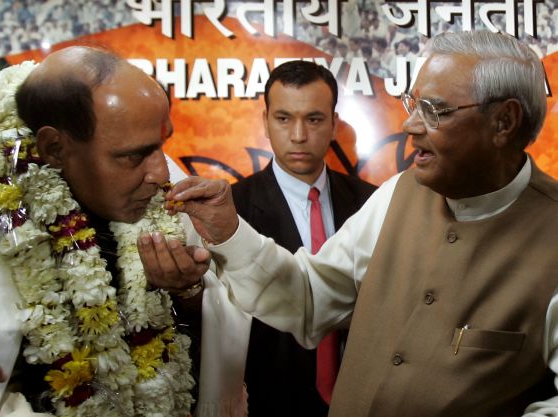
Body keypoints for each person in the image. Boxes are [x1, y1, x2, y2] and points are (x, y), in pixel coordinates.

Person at [160, 30, 558, 416]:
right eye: (412, 104)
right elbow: (308, 299)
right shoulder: (396, 193)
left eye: (435, 110)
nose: (411, 125)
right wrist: (229, 231)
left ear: (504, 122)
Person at [0, 46, 250, 417]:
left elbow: (213, 339)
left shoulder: (153, 178)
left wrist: (185, 293)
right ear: (55, 148)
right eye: (135, 156)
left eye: (162, 147)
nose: (162, 174)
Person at [231, 60, 376, 417]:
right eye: (283, 119)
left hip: (360, 400)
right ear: (265, 122)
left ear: (333, 124)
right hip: (267, 403)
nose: (298, 135)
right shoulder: (231, 212)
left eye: (313, 119)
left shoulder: (373, 203)